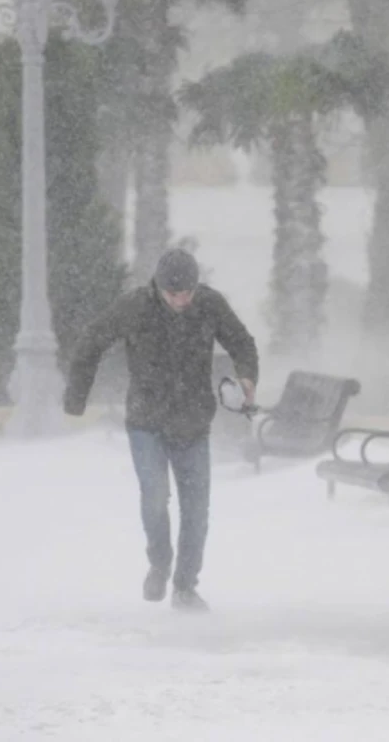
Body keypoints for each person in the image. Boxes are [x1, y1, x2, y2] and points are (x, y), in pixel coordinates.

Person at [63, 249, 259, 612]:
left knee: (196, 509)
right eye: (173, 294)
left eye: (187, 293)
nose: (181, 301)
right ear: (158, 287)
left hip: (193, 421)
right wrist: (76, 398)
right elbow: (91, 341)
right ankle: (159, 562)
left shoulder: (210, 304)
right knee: (155, 496)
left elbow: (242, 342)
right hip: (146, 421)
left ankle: (185, 587)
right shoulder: (135, 307)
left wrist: (246, 377)